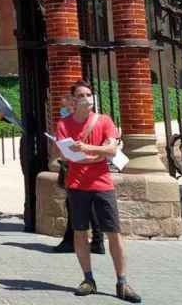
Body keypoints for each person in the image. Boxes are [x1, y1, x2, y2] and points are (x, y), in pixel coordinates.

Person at [55, 80, 140, 303]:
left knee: (114, 233)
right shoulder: (64, 124)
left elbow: (112, 149)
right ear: (73, 100)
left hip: (102, 184)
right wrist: (93, 153)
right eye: (81, 95)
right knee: (80, 232)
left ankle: (122, 282)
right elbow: (64, 153)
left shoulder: (104, 121)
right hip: (77, 185)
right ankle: (88, 279)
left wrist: (87, 149)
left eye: (89, 94)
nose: (87, 98)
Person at [55, 98, 105, 255]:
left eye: (66, 107)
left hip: (80, 171)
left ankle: (82, 241)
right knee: (86, 207)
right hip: (79, 170)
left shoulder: (84, 124)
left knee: (77, 206)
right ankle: (96, 241)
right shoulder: (71, 123)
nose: (64, 110)